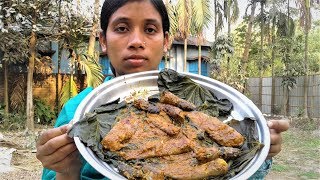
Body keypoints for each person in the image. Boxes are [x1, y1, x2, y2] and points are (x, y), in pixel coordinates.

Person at [36, 0, 290, 179]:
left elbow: (238, 172)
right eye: (122, 28)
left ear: (166, 41)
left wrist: (262, 154)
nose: (136, 42)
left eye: (150, 29)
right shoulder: (76, 113)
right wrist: (65, 171)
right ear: (103, 40)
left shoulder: (200, 101)